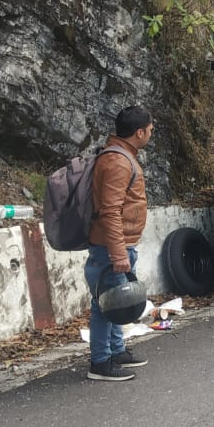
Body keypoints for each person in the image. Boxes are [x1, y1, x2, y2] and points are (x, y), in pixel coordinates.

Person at [84, 106, 154, 381]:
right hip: (111, 247)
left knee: (115, 301)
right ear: (139, 132)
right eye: (149, 130)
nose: (151, 133)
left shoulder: (122, 157)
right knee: (105, 304)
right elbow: (110, 211)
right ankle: (101, 363)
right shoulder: (117, 162)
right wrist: (118, 252)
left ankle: (116, 350)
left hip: (119, 245)